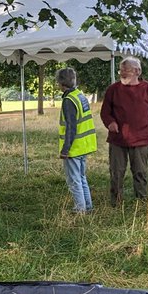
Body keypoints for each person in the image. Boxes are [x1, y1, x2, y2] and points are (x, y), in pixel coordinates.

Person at [100, 56, 148, 204]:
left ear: (137, 71)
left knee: (140, 172)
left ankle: (142, 201)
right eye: (121, 70)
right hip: (118, 139)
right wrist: (110, 122)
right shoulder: (113, 89)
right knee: (116, 172)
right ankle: (116, 202)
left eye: (126, 70)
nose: (122, 73)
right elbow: (105, 112)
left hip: (141, 139)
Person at [56, 67, 97, 213]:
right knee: (81, 177)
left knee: (74, 180)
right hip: (83, 146)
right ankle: (88, 206)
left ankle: (80, 209)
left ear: (61, 83)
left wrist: (65, 149)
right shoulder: (79, 95)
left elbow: (71, 127)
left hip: (74, 148)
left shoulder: (68, 100)